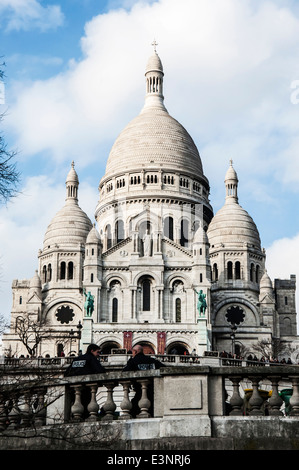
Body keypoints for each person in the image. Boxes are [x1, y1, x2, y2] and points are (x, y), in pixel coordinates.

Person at [123, 345, 165, 417]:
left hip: (139, 391)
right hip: (152, 392)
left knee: (134, 411)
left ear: (135, 351)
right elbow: (164, 369)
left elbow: (124, 373)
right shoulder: (152, 361)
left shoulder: (133, 361)